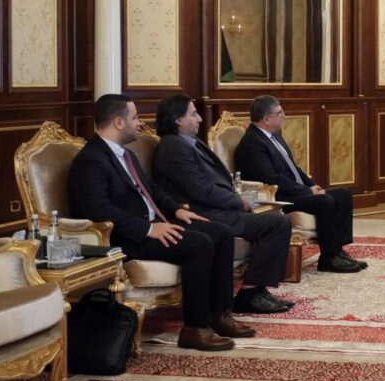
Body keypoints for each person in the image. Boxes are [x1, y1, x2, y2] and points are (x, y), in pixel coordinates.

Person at [67, 94, 254, 351]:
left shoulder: (126, 155)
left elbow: (151, 190)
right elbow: (97, 210)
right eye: (134, 118)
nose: (139, 123)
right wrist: (148, 229)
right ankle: (195, 328)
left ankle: (219, 314)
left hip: (155, 223)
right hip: (127, 236)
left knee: (221, 232)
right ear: (119, 122)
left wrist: (177, 210)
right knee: (199, 244)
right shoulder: (91, 160)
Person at [152, 93, 294, 314]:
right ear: (177, 119)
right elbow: (200, 190)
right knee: (278, 224)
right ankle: (249, 294)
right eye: (193, 114)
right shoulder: (173, 147)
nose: (200, 119)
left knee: (275, 220)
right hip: (203, 213)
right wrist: (237, 202)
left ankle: (257, 290)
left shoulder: (190, 142)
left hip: (217, 207)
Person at [235, 95, 365, 274]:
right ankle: (328, 258)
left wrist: (313, 185)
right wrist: (307, 191)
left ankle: (337, 251)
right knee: (325, 201)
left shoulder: (274, 136)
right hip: (277, 198)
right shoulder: (252, 143)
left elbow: (292, 168)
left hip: (294, 191)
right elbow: (272, 178)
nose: (284, 115)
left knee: (343, 194)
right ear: (266, 119)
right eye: (279, 112)